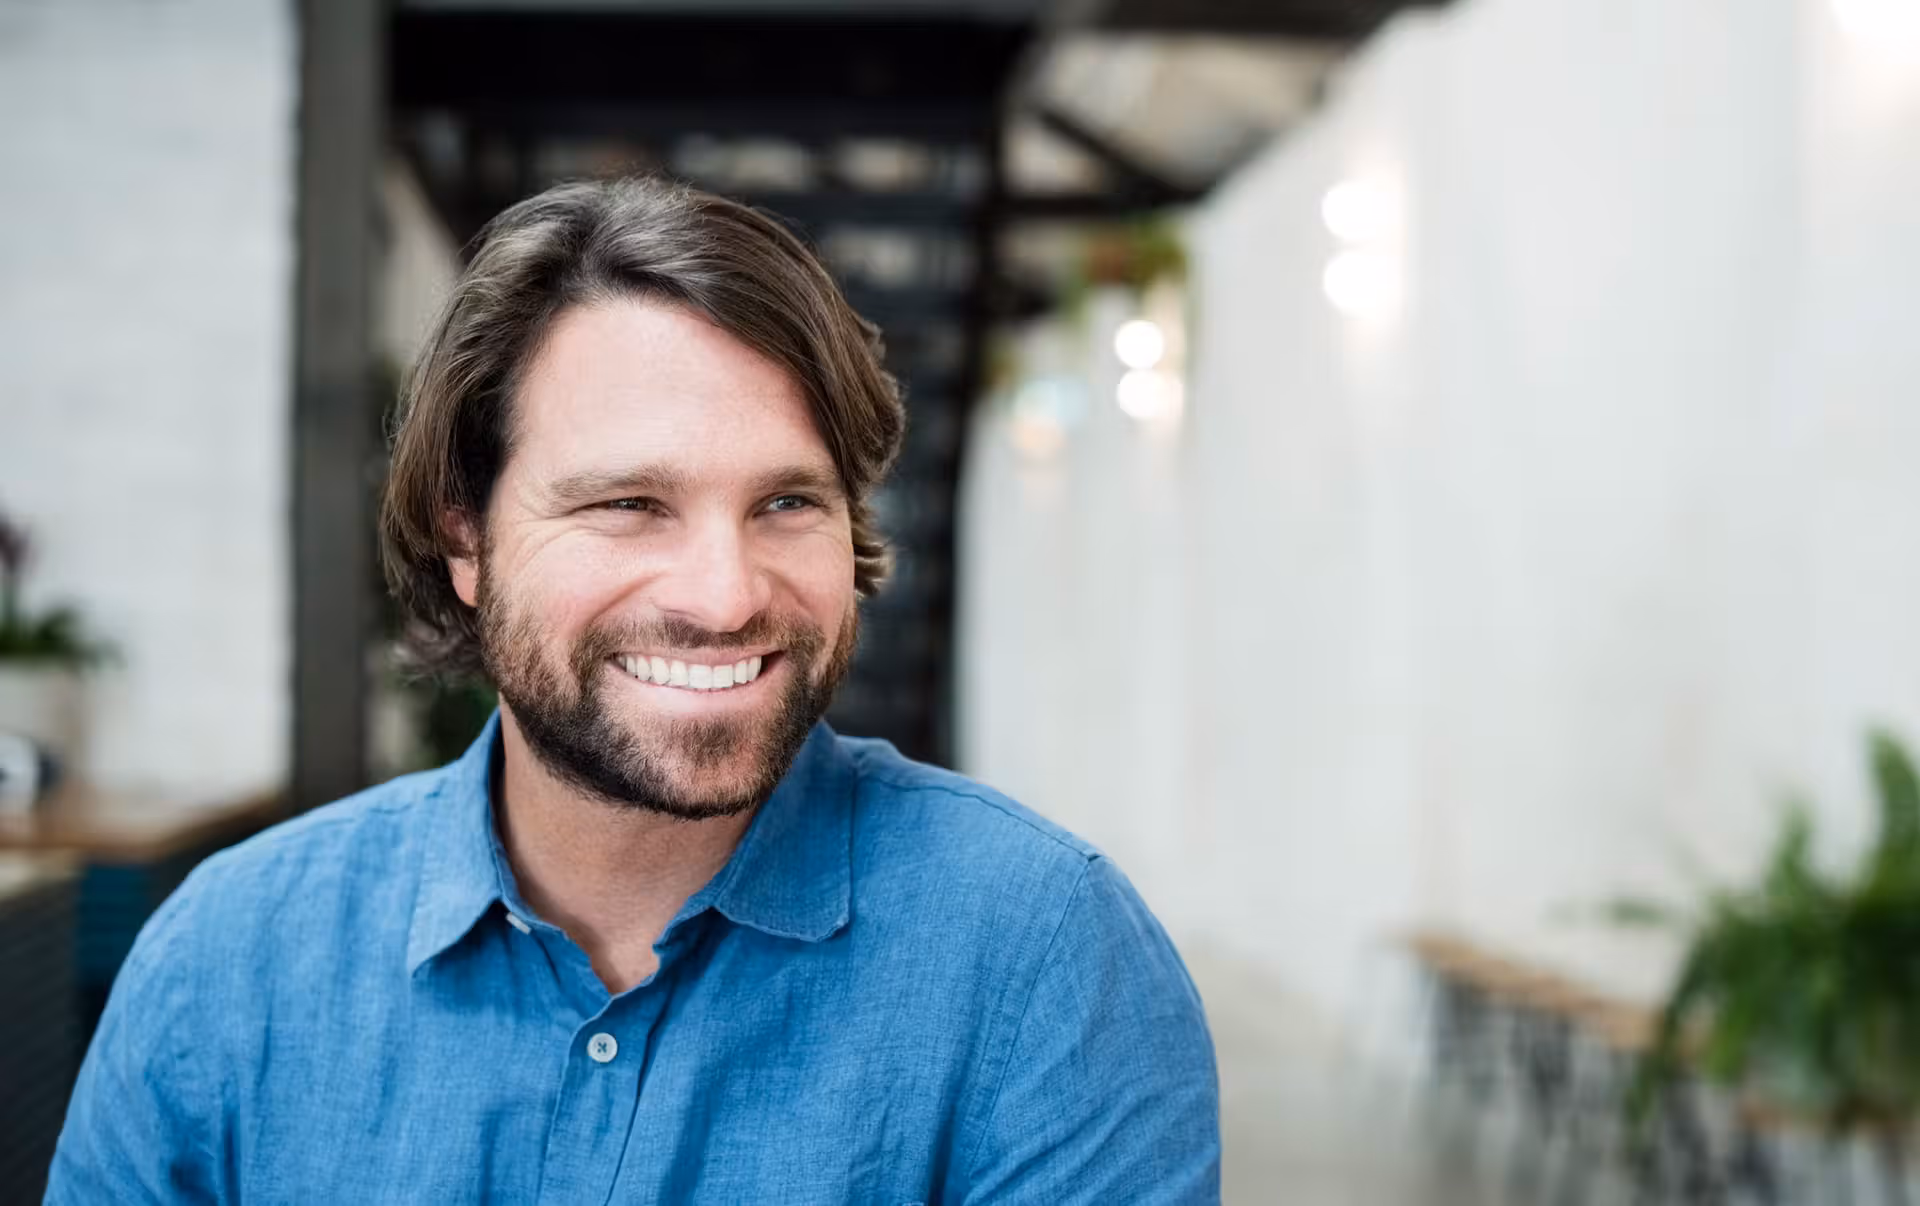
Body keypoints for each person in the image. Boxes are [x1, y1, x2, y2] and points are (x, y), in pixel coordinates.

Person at [47, 176, 1219, 1203]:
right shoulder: (227, 963)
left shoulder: (1045, 958)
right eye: (628, 505)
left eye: (786, 503)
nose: (724, 596)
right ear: (466, 538)